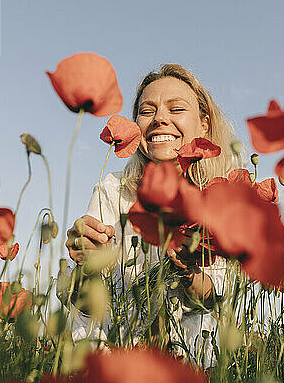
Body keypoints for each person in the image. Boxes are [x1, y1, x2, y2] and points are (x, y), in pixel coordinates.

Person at [61, 64, 244, 366]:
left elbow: (222, 294)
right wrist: (86, 264)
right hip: (114, 360)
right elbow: (83, 303)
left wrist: (189, 272)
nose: (160, 119)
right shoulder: (113, 190)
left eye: (176, 109)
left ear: (204, 124)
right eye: (147, 111)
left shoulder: (223, 196)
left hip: (194, 363)